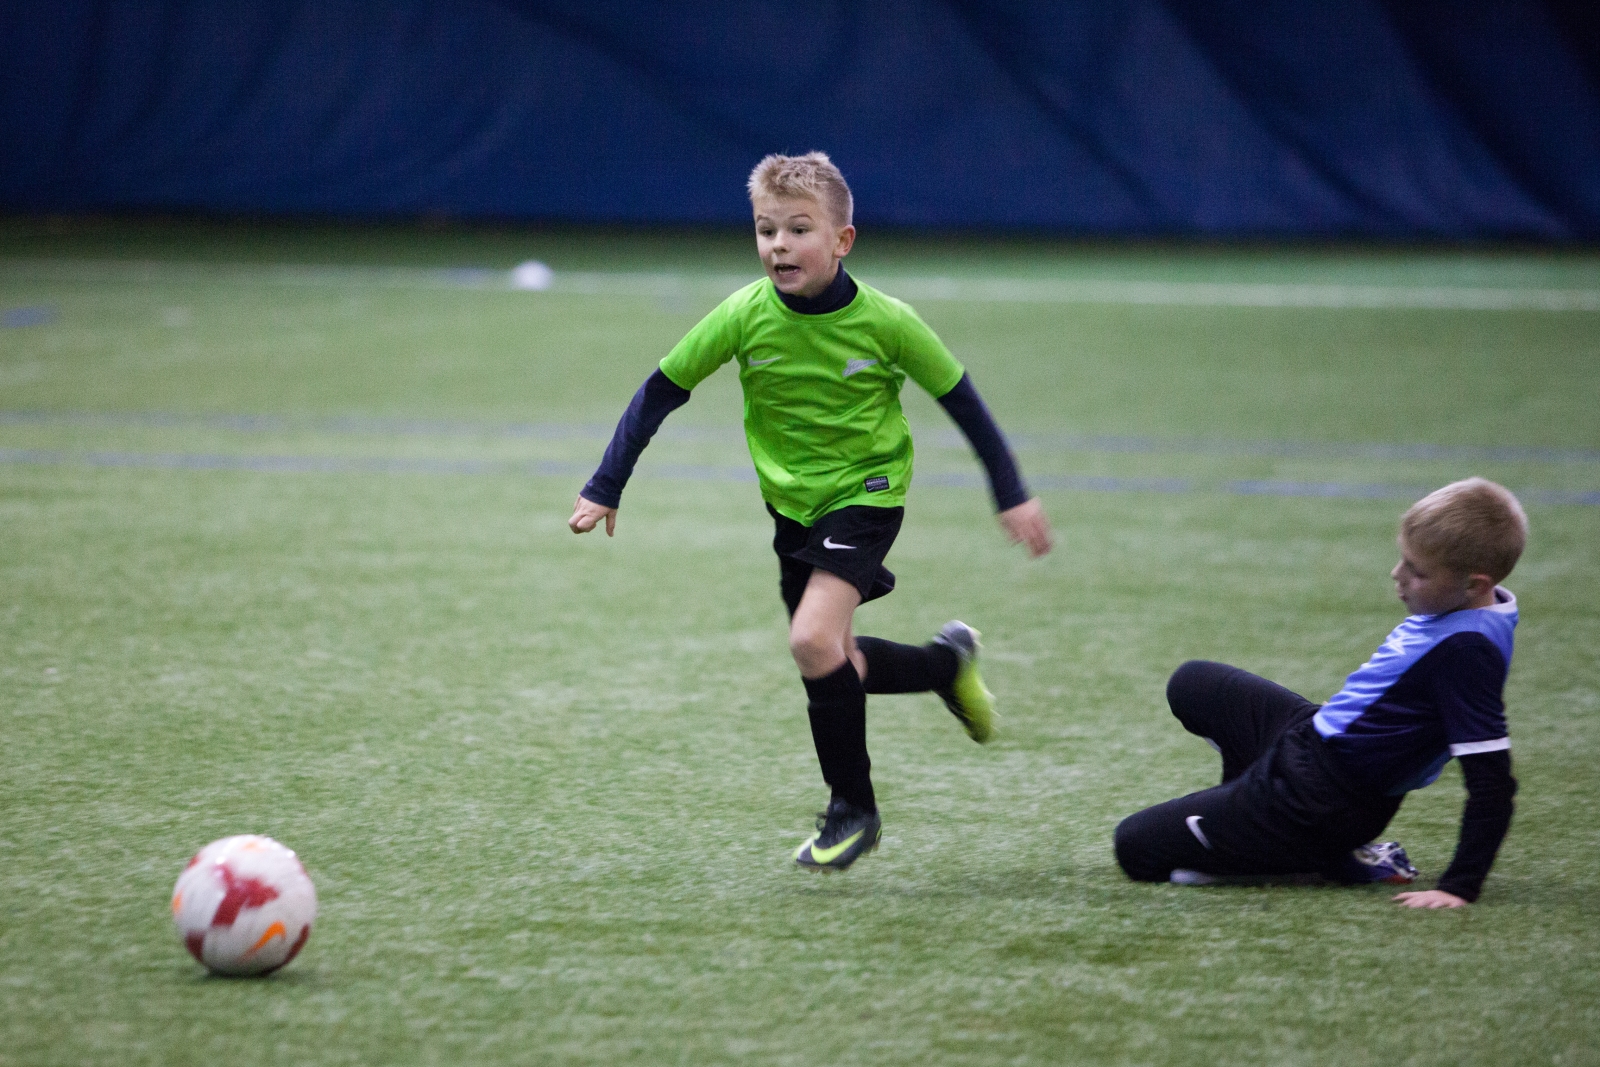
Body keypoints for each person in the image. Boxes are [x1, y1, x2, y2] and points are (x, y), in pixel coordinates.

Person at [569, 151, 1052, 871]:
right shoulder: (743, 315)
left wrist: (1010, 490)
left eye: (799, 229)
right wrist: (608, 482)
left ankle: (853, 811)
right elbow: (661, 389)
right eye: (766, 230)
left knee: (809, 640)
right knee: (836, 658)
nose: (779, 246)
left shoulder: (888, 322)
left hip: (867, 493)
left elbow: (962, 400)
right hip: (791, 507)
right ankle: (945, 665)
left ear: (842, 241)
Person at [1114, 477, 1527, 908]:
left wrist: (1458, 887)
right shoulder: (1479, 608)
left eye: (1417, 572)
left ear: (1475, 585)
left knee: (1135, 847)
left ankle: (1311, 853)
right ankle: (1255, 831)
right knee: (1193, 683)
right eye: (1402, 560)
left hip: (1321, 802)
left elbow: (1493, 783)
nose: (1397, 575)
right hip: (1312, 740)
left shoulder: (1469, 651)